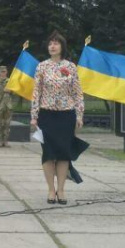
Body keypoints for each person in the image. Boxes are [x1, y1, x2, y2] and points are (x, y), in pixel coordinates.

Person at [30, 31, 88, 205]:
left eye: (56, 43)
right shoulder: (42, 67)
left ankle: (61, 189)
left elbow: (77, 93)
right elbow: (36, 93)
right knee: (48, 154)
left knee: (63, 154)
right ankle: (50, 189)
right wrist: (34, 116)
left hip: (66, 115)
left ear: (62, 46)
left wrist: (79, 114)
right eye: (50, 43)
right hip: (46, 115)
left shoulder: (70, 67)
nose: (52, 46)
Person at [0, 65, 17, 147]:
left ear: (6, 72)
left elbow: (15, 93)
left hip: (8, 105)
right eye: (1, 72)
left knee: (7, 124)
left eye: (4, 71)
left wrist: (10, 91)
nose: (3, 73)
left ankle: (5, 141)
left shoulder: (10, 82)